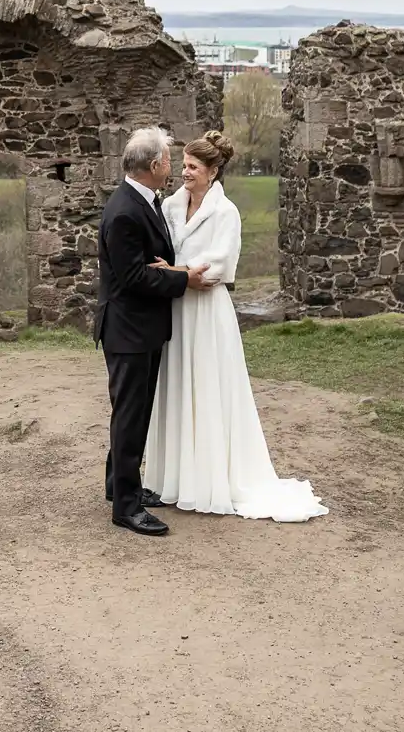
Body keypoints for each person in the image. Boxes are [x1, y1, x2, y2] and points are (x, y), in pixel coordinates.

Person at [142, 130, 328, 523]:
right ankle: (176, 478)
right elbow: (160, 249)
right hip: (176, 310)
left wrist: (172, 271)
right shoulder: (172, 205)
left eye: (193, 167)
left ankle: (210, 479)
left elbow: (218, 269)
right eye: (184, 166)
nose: (185, 173)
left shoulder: (226, 213)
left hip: (207, 313)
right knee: (177, 388)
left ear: (212, 172)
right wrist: (176, 273)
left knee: (207, 390)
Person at [95, 126, 208, 537]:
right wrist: (183, 280)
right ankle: (126, 507)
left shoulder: (143, 199)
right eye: (168, 161)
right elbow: (130, 278)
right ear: (155, 165)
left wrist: (166, 270)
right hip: (127, 329)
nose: (172, 168)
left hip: (140, 327)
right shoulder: (126, 209)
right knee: (129, 415)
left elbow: (147, 264)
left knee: (133, 412)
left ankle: (118, 486)